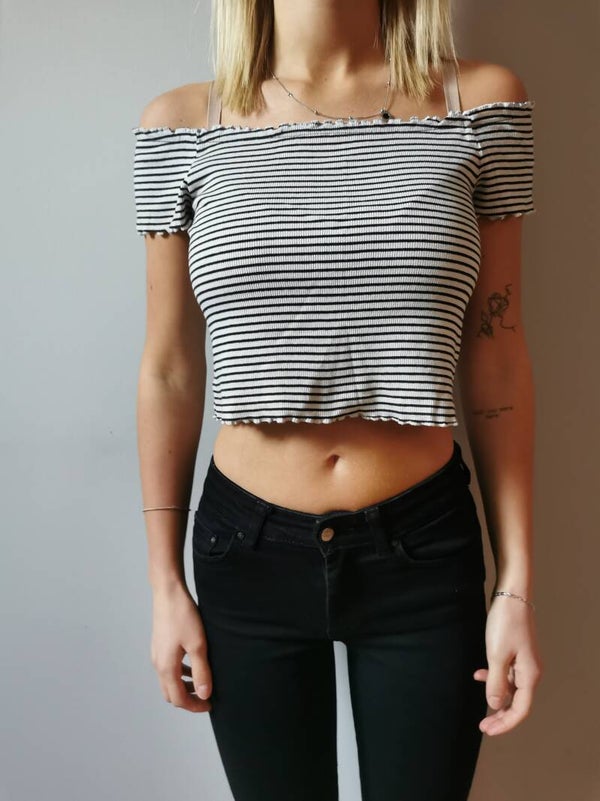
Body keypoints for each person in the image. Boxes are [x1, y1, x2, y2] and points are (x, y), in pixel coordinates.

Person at [132, 1, 543, 799]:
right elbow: (169, 368)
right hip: (244, 551)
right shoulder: (181, 124)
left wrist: (516, 582)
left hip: (422, 546)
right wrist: (164, 583)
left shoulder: (481, 105)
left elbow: (497, 354)